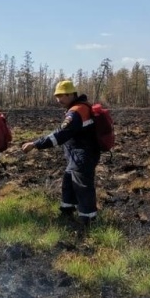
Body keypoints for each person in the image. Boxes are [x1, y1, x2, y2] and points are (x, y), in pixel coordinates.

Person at [21, 80, 100, 231]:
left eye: (62, 96)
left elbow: (61, 134)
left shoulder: (76, 111)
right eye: (57, 96)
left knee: (82, 188)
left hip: (82, 157)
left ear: (71, 94)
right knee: (68, 183)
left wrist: (36, 144)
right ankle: (67, 213)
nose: (58, 100)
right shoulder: (79, 108)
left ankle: (88, 222)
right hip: (76, 156)